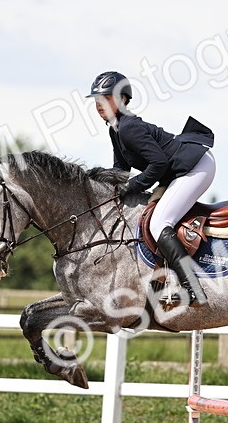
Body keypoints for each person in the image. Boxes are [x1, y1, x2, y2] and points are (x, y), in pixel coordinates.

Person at [87, 70, 214, 307]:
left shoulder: (128, 128)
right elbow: (121, 169)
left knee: (159, 223)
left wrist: (132, 186)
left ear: (123, 99)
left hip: (196, 167)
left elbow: (159, 163)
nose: (100, 104)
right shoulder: (115, 129)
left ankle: (192, 288)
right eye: (97, 100)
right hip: (176, 172)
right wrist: (100, 186)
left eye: (107, 98)